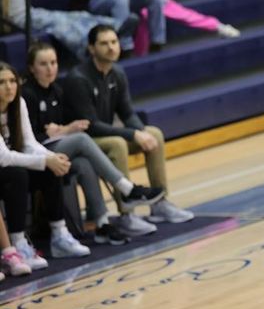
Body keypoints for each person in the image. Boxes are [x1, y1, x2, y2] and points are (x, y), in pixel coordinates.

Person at [23, 41, 165, 243]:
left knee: (84, 163)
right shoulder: (27, 95)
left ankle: (102, 224)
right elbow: (27, 139)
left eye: (53, 63)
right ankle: (127, 189)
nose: (50, 68)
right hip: (36, 154)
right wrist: (62, 130)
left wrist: (64, 129)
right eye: (43, 64)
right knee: (81, 139)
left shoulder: (57, 90)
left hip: (56, 148)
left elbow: (65, 126)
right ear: (31, 68)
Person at [63, 25, 193, 230]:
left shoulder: (117, 72)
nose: (111, 48)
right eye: (104, 43)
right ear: (91, 48)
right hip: (86, 140)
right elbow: (93, 126)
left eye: (114, 42)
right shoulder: (78, 79)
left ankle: (160, 204)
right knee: (118, 144)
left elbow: (127, 113)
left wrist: (140, 132)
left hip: (105, 133)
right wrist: (132, 134)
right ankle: (126, 213)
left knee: (154, 134)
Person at [0, 62, 91, 270]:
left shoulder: (18, 103)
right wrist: (44, 160)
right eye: (2, 82)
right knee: (18, 174)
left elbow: (29, 144)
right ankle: (18, 242)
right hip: (5, 173)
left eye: (12, 81)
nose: (9, 87)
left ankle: (59, 236)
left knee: (50, 169)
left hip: (14, 171)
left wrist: (52, 158)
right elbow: (3, 157)